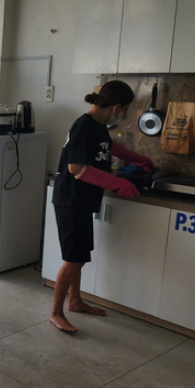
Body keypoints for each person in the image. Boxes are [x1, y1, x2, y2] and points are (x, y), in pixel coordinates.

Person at [50, 80, 154, 333]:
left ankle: (75, 301)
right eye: (126, 108)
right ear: (117, 106)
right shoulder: (84, 126)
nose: (125, 114)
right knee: (73, 259)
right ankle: (56, 312)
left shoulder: (97, 126)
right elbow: (76, 168)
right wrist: (116, 182)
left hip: (83, 199)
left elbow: (108, 147)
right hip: (71, 200)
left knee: (80, 256)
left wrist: (137, 158)